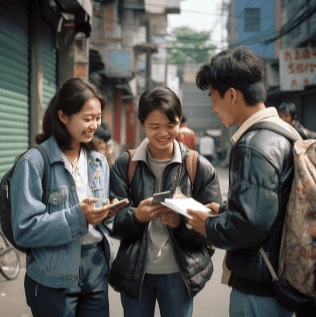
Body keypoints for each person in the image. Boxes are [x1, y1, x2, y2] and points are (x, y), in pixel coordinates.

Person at [187, 46, 303, 317]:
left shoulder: (252, 145)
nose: (213, 108)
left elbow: (249, 228)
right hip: (282, 279)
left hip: (259, 290)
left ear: (231, 95)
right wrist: (224, 211)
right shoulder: (285, 133)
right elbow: (271, 210)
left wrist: (207, 225)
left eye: (213, 99)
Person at [10, 78, 128, 317]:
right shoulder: (33, 162)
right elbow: (24, 229)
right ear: (63, 116)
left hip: (96, 266)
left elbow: (102, 222)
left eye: (97, 117)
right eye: (87, 118)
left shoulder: (99, 161)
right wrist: (79, 217)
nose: (94, 125)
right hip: (52, 273)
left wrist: (106, 213)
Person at [108, 86, 222, 317]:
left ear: (179, 121)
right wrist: (136, 217)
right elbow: (111, 223)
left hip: (179, 275)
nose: (163, 133)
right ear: (141, 124)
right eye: (154, 127)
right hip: (135, 275)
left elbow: (215, 227)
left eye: (171, 126)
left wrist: (182, 223)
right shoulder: (125, 164)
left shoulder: (197, 166)